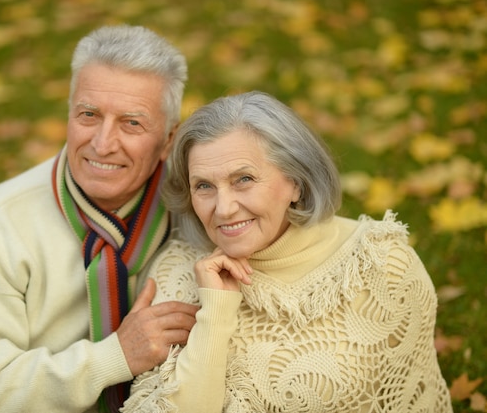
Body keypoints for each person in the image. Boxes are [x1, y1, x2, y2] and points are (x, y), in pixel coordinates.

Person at [0, 24, 200, 413]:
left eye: (132, 123)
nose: (103, 144)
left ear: (169, 140)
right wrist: (115, 356)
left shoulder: (195, 205)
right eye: (89, 115)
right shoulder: (3, 218)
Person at [121, 91, 453, 412]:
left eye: (244, 179)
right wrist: (215, 314)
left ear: (295, 181)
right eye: (204, 186)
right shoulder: (178, 269)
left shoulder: (382, 262)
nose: (223, 209)